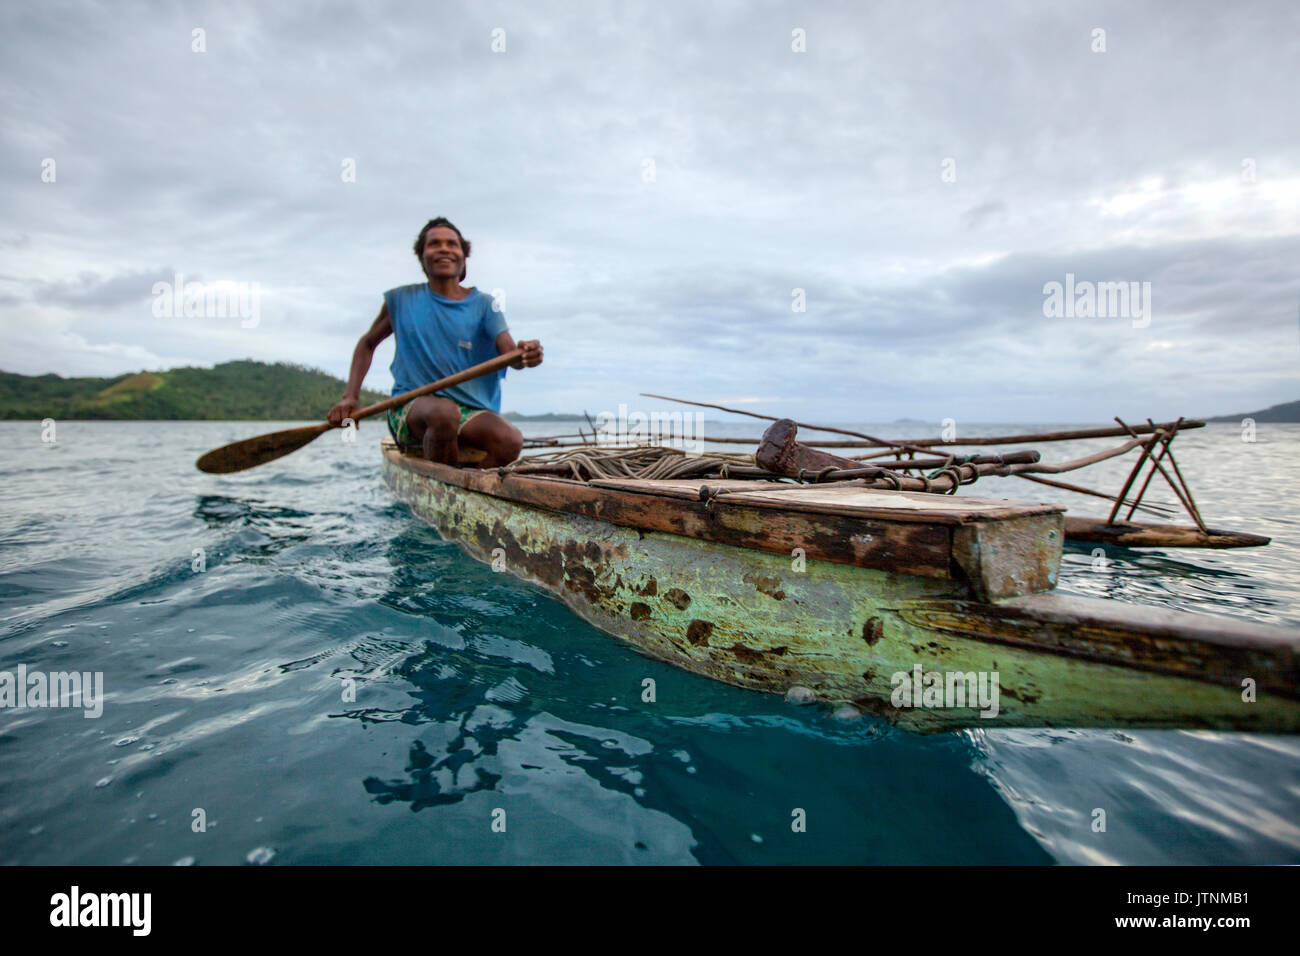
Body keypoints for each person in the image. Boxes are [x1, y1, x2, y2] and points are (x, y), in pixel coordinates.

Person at [327, 217, 543, 467]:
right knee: (443, 413)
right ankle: (446, 483)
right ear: (422, 258)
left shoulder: (485, 305)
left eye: (452, 244)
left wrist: (526, 354)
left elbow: (511, 354)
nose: (444, 249)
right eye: (434, 244)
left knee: (511, 439)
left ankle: (472, 488)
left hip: (470, 412)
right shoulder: (401, 300)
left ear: (463, 257)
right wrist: (350, 397)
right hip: (411, 408)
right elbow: (367, 344)